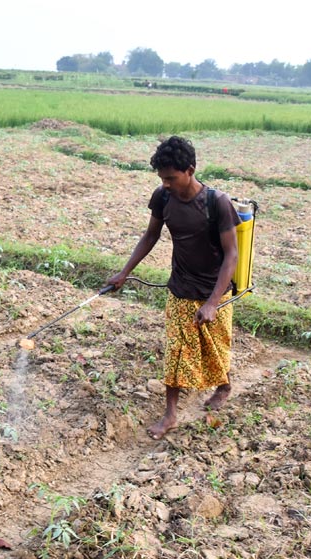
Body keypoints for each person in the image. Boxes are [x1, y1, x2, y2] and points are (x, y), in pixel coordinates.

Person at [106, 136, 239, 440]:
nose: (165, 184)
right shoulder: (163, 198)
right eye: (161, 178)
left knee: (215, 345)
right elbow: (150, 236)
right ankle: (170, 415)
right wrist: (124, 272)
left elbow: (232, 255)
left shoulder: (217, 202)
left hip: (214, 289)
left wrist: (213, 302)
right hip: (181, 285)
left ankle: (225, 385)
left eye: (171, 178)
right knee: (177, 351)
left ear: (190, 170)